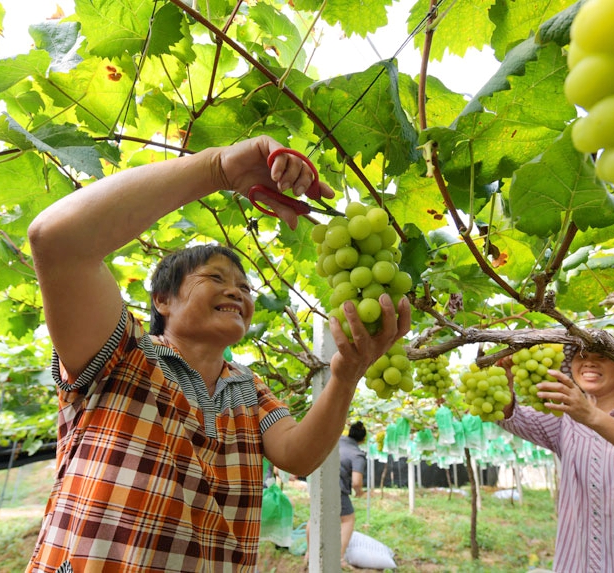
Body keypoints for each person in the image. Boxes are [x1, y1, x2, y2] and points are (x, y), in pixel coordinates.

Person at [24, 135, 411, 572]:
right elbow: (55, 239)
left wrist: (345, 375)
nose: (237, 291)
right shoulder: (121, 353)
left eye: (245, 287)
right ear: (162, 300)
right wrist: (217, 170)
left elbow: (297, 455)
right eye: (216, 277)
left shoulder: (249, 389)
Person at [496, 347, 614, 573]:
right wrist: (505, 381)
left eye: (602, 356)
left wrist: (592, 416)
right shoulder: (565, 418)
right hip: (580, 562)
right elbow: (512, 418)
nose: (589, 363)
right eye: (581, 356)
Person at [339, 421, 368, 565]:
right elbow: (356, 482)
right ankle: (339, 557)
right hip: (338, 489)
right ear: (363, 439)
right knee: (348, 519)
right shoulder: (357, 454)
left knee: (316, 515)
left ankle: (309, 554)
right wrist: (360, 493)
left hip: (318, 484)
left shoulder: (336, 441)